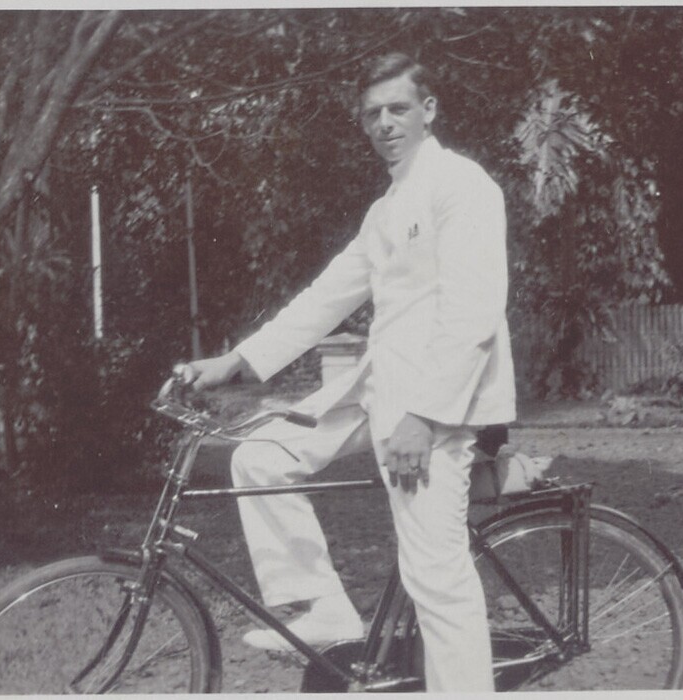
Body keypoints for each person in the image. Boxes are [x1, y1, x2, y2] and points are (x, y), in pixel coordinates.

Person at [174, 51, 514, 693]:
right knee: (261, 455)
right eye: (372, 114)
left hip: (438, 408)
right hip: (380, 390)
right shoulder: (386, 209)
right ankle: (321, 608)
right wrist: (235, 361)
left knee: (435, 576)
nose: (385, 123)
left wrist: (424, 417)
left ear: (428, 110)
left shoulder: (463, 186)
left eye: (398, 108)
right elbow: (325, 298)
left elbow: (473, 313)